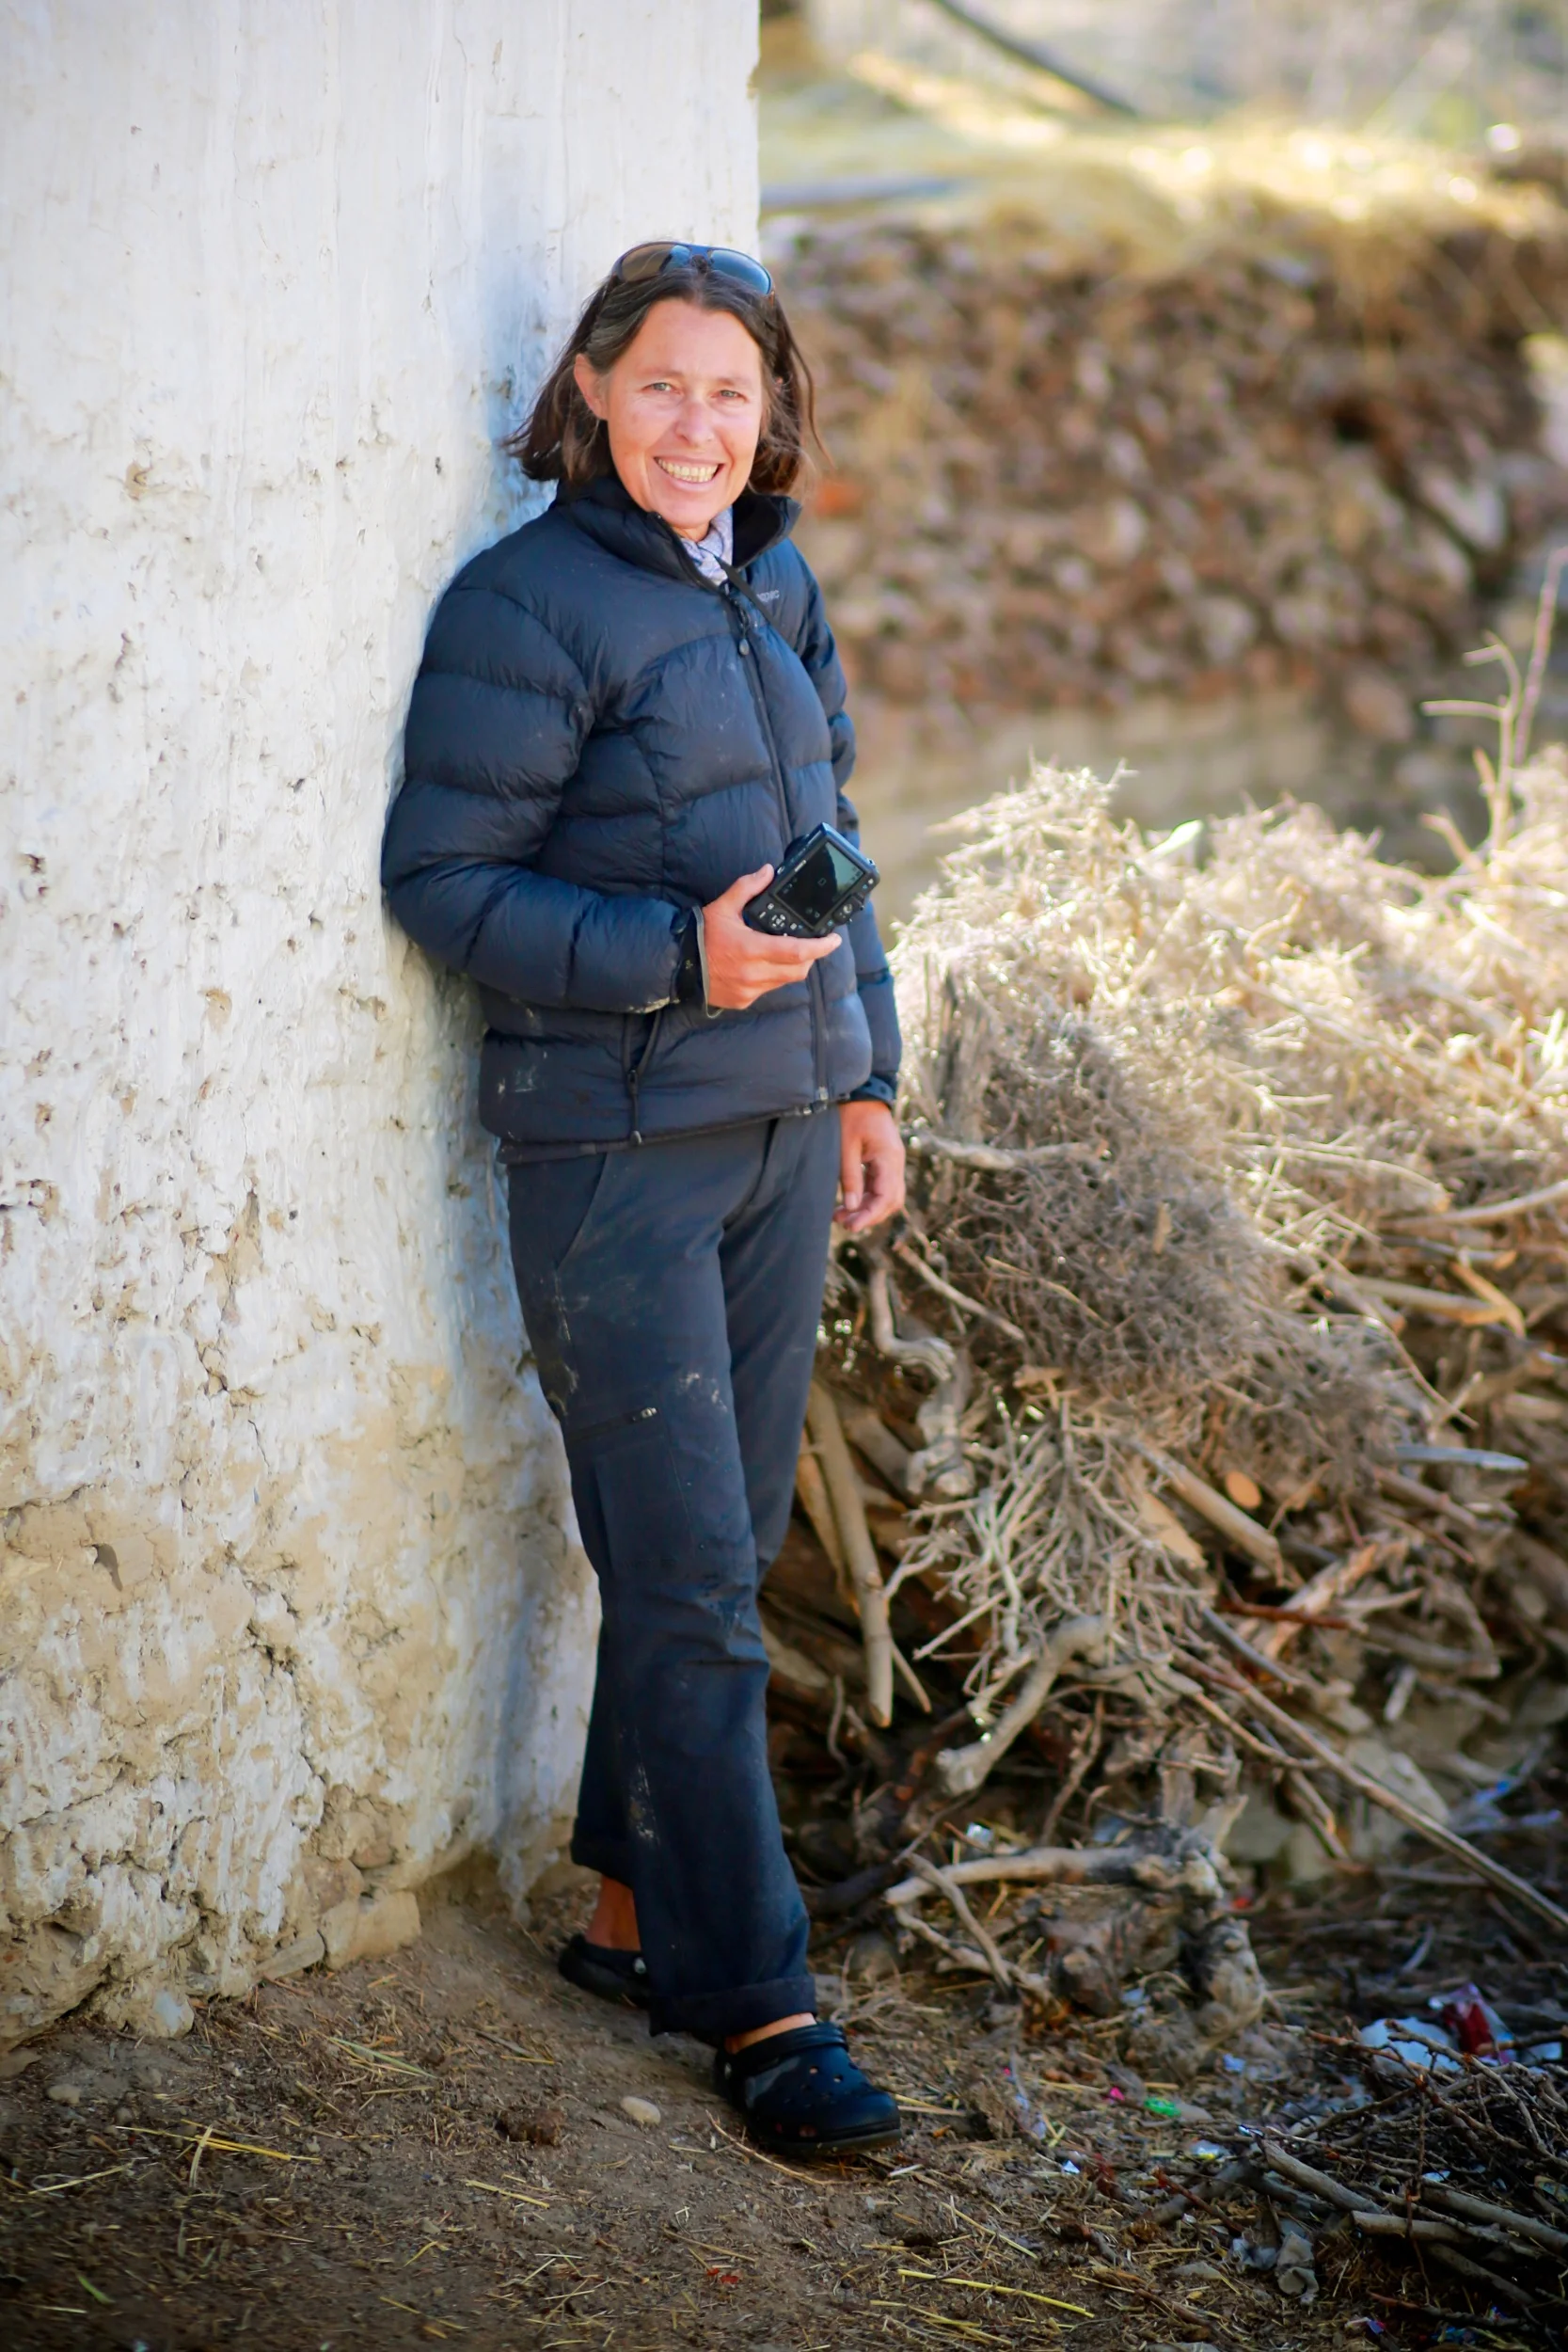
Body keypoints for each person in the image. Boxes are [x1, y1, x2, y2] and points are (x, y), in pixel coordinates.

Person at [381, 242, 904, 2157]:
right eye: (665, 384)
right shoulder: (522, 603)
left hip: (778, 1137)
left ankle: (624, 1911)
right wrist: (675, 960)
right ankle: (759, 2003)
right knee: (686, 1577)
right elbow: (444, 885)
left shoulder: (770, 582)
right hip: (611, 1155)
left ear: (772, 411)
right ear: (593, 387)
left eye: (733, 391)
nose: (701, 424)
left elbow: (836, 848)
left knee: (716, 1557)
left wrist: (862, 1073)